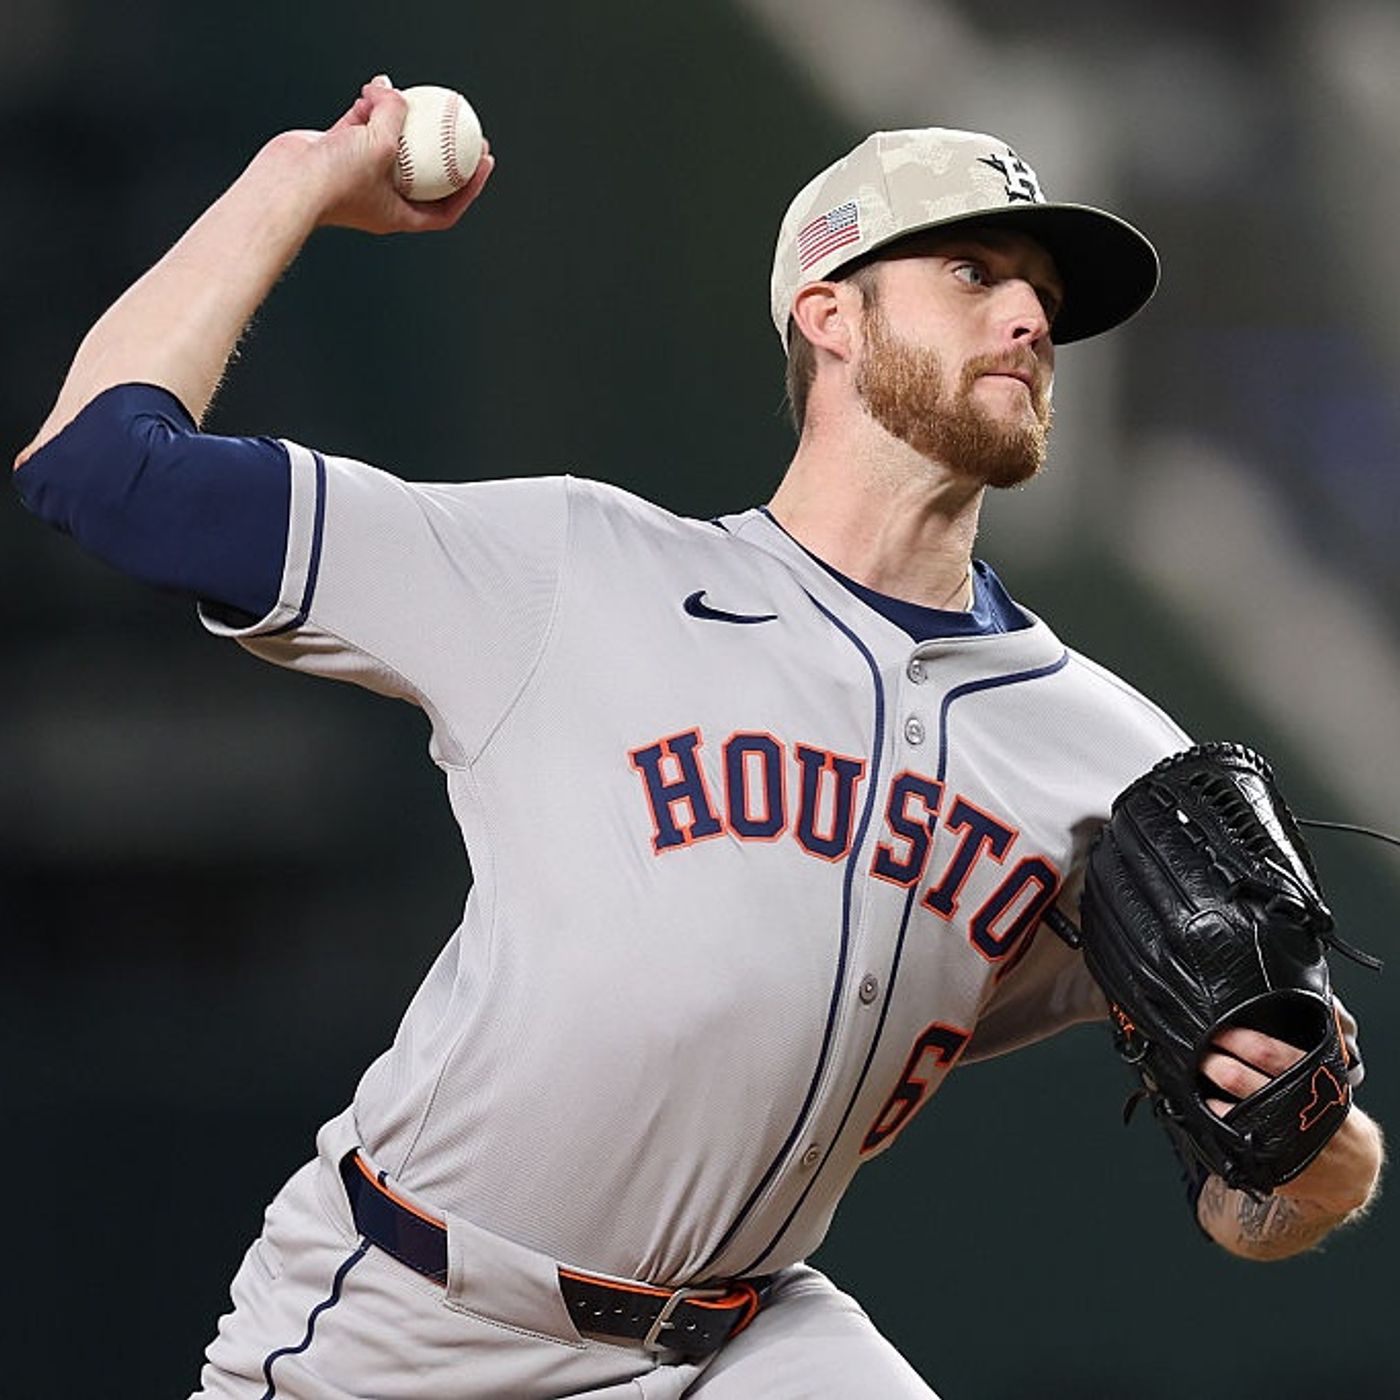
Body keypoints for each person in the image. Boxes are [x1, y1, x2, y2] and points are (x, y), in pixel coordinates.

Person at [14, 78, 1384, 1400]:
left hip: (737, 1347)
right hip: (416, 1324)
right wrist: (293, 184)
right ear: (829, 312)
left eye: (1046, 295)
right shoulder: (566, 565)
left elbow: (1279, 1192)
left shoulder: (1111, 756)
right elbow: (100, 466)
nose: (1030, 313)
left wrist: (1296, 1147)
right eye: (973, 272)